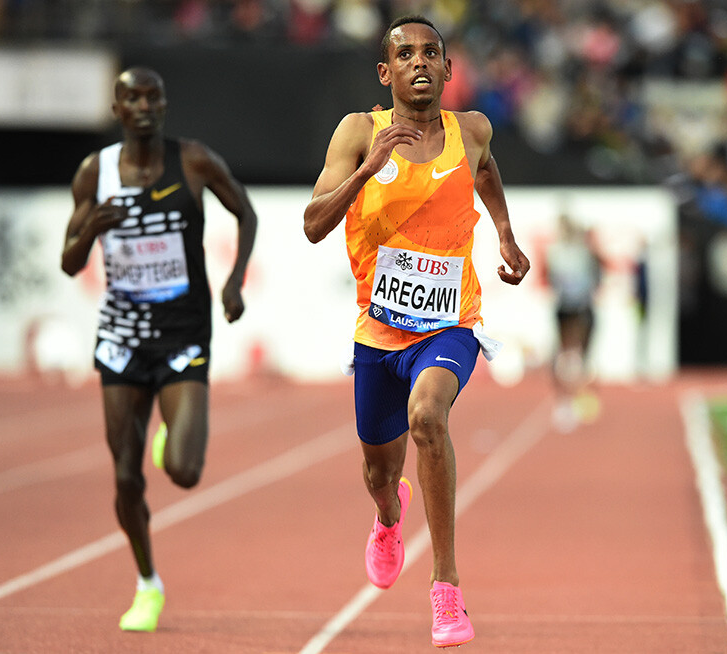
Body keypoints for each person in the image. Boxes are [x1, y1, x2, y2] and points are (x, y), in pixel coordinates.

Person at [303, 15, 530, 648]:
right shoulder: (358, 132)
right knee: (380, 474)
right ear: (386, 72)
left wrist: (505, 235)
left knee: (428, 418)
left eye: (432, 53)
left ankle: (445, 588)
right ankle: (387, 517)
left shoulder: (473, 130)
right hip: (379, 333)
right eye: (406, 54)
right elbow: (313, 224)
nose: (420, 62)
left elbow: (486, 173)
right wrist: (366, 169)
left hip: (450, 323)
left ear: (449, 69)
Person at [60, 67, 257, 632]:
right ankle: (147, 582)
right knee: (126, 475)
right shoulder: (94, 173)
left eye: (153, 97)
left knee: (185, 472)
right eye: (133, 98)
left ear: (165, 105)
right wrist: (90, 230)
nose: (144, 106)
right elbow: (69, 262)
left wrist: (234, 281)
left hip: (183, 333)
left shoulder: (192, 160)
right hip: (122, 337)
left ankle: (172, 432)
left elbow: (245, 212)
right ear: (117, 109)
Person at [544, 214, 600, 432]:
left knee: (578, 355)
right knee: (565, 354)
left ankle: (576, 398)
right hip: (568, 306)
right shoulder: (558, 252)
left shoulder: (583, 251)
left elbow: (595, 276)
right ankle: (565, 399)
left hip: (580, 306)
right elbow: (552, 278)